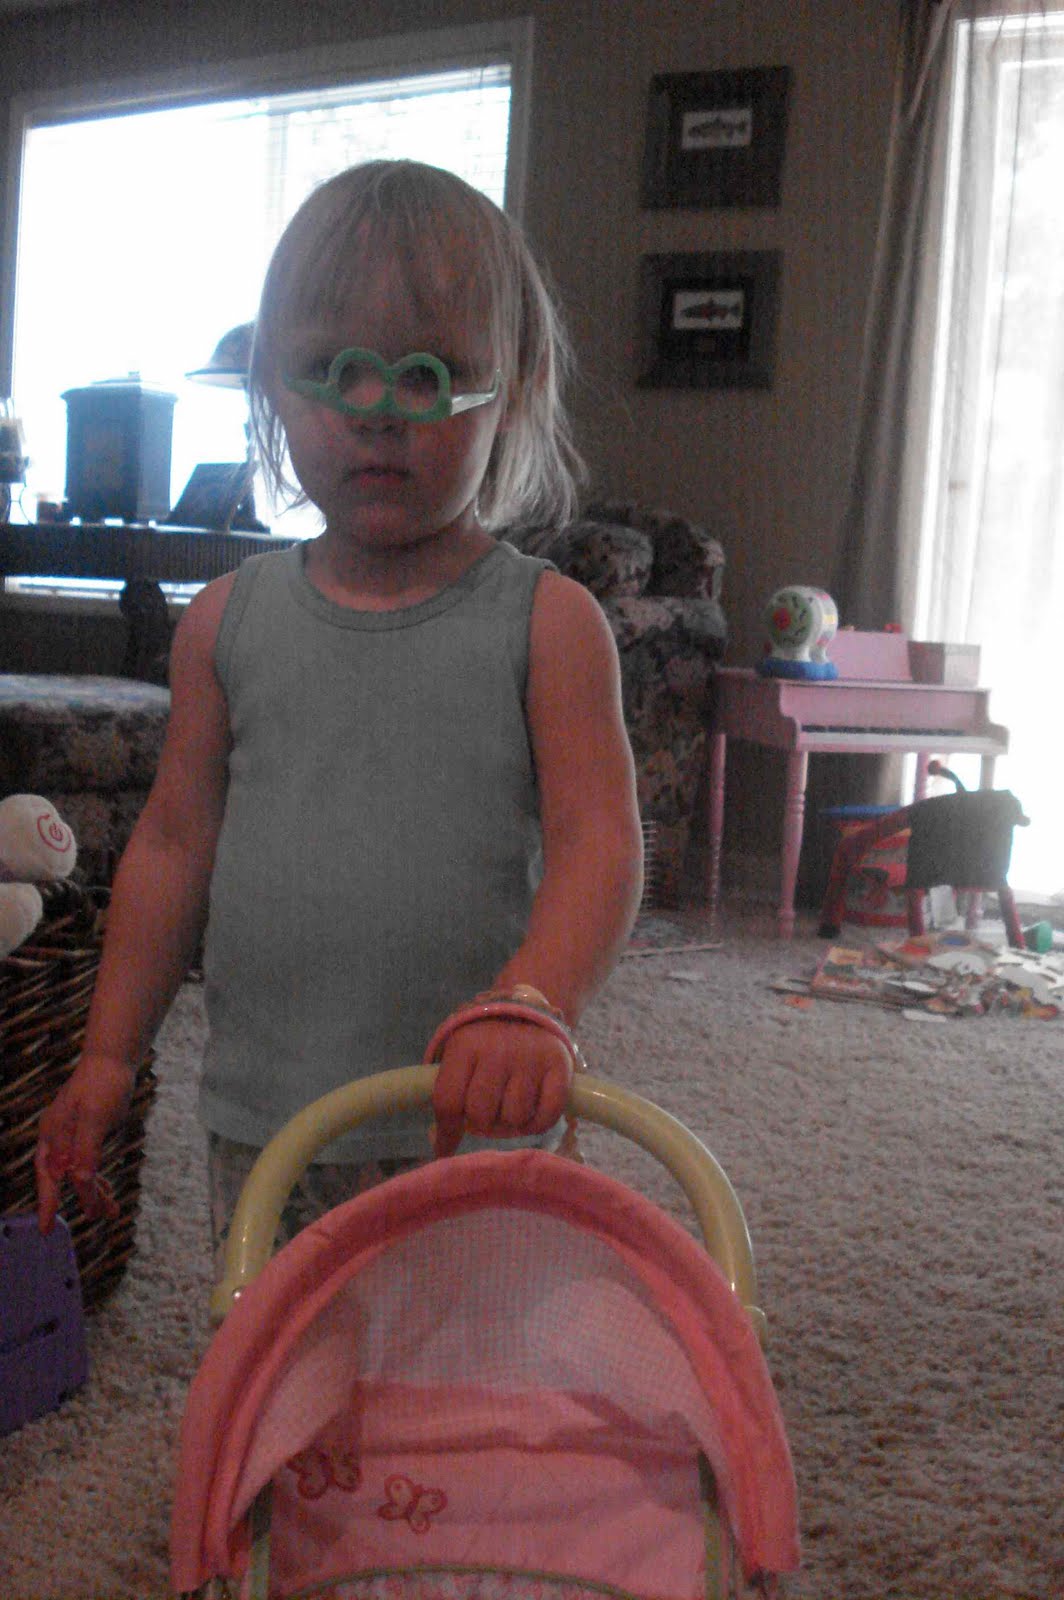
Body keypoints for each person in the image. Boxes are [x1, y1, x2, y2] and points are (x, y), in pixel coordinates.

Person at [35, 159, 643, 1263]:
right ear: (273, 389)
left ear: (509, 392)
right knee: (285, 1361)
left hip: (474, 1113)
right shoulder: (223, 624)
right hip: (270, 1122)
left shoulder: (549, 625)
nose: (378, 415)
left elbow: (599, 841)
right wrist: (110, 1056)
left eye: (428, 376)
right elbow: (171, 847)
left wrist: (534, 1000)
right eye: (333, 371)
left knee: (471, 1365)